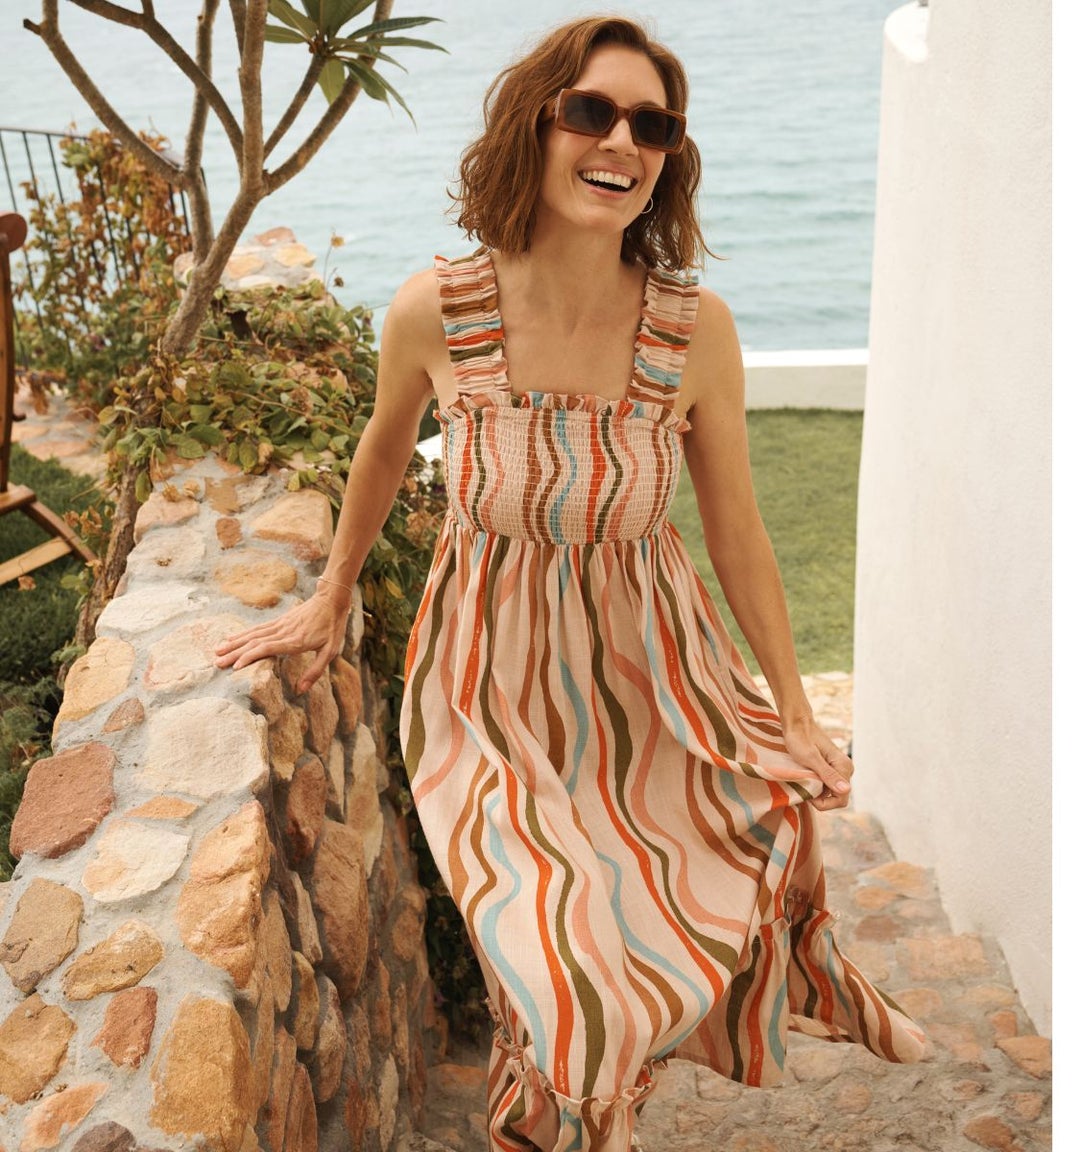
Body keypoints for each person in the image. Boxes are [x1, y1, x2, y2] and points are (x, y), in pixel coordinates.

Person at [214, 16, 924, 1149]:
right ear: (533, 128)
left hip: (654, 694)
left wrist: (792, 711)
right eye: (592, 111)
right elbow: (383, 450)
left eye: (653, 125)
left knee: (626, 949)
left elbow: (737, 531)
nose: (622, 142)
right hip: (486, 698)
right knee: (560, 966)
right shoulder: (436, 309)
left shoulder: (695, 332)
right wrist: (331, 593)